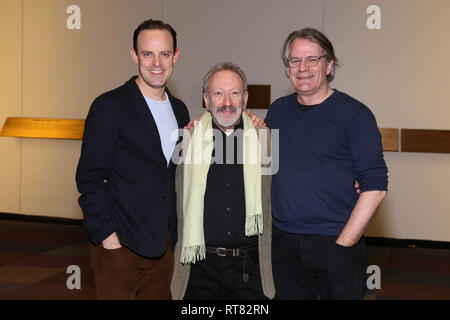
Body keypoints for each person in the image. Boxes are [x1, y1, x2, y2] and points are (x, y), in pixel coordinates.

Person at [265, 27, 388, 300]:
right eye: (295, 60)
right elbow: (262, 166)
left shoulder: (355, 115)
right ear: (287, 69)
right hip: (284, 244)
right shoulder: (278, 111)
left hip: (336, 242)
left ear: (329, 65)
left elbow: (376, 187)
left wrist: (344, 244)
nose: (303, 67)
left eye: (313, 59)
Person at [75, 19, 190, 299]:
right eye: (147, 54)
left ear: (175, 56)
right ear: (134, 55)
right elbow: (90, 177)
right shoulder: (110, 106)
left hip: (164, 247)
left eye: (164, 54)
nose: (156, 63)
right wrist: (107, 237)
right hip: (121, 245)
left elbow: (177, 174)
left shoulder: (180, 110)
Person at [170, 62, 275, 300]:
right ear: (207, 100)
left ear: (245, 99)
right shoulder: (186, 140)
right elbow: (172, 198)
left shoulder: (266, 141)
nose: (227, 101)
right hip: (198, 270)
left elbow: (279, 195)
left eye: (234, 93)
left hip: (250, 271)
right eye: (218, 93)